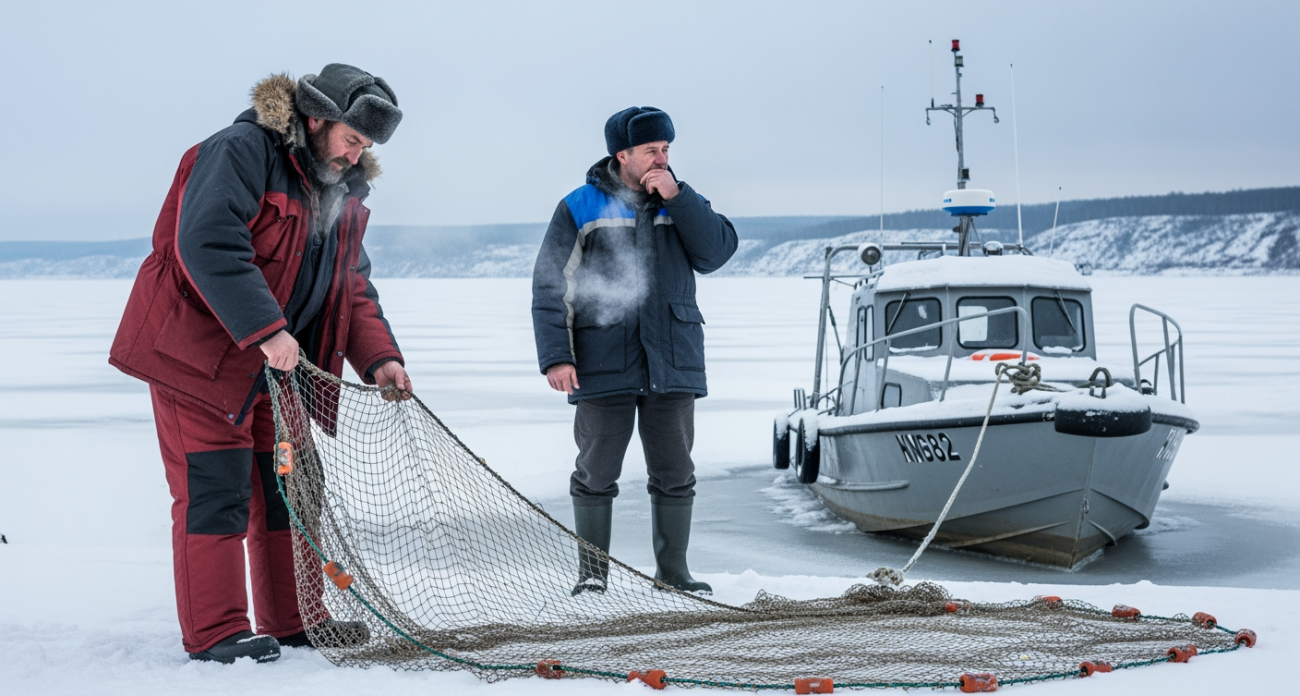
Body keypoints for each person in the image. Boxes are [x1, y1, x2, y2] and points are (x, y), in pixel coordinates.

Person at [109, 64, 411, 663]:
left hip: (276, 368)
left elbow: (348, 282)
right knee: (214, 491)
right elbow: (208, 241)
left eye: (366, 147)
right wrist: (267, 329)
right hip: (198, 357)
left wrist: (379, 359)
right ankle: (217, 633)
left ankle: (296, 620)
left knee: (294, 490)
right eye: (352, 139)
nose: (356, 156)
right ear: (318, 117)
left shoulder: (339, 189)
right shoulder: (239, 151)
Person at [531, 107, 738, 596]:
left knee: (675, 472)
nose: (662, 159)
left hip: (672, 357)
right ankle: (592, 576)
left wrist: (679, 199)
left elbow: (716, 253)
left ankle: (674, 574)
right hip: (602, 361)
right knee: (596, 472)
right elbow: (549, 284)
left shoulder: (681, 199)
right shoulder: (580, 206)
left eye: (667, 150)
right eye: (652, 151)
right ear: (622, 154)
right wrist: (557, 356)